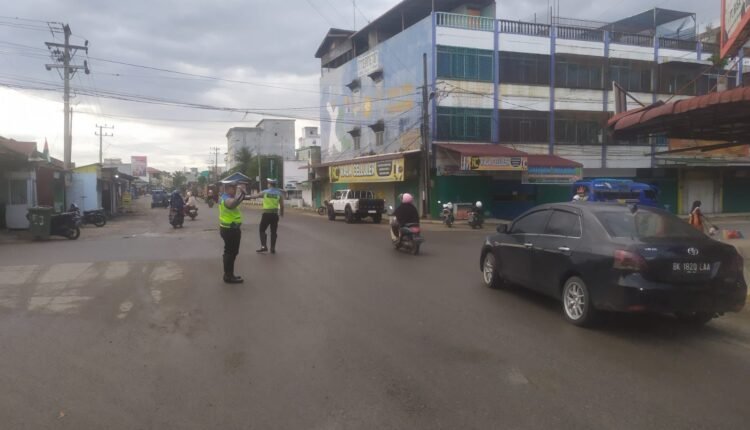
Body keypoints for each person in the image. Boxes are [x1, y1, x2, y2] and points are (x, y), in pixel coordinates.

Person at [219, 181, 246, 284]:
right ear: (227, 188)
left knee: (232, 252)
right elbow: (232, 205)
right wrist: (240, 193)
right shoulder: (226, 198)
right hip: (229, 229)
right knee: (230, 253)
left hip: (231, 229)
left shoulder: (229, 197)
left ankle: (229, 274)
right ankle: (228, 276)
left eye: (235, 188)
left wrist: (243, 194)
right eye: (233, 188)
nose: (235, 190)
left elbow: (237, 201)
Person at [247, 178, 284, 254]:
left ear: (269, 184)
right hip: (275, 215)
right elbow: (282, 205)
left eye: (268, 183)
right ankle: (272, 248)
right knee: (273, 232)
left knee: (262, 230)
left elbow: (255, 196)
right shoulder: (279, 193)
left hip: (266, 214)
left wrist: (244, 197)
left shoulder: (265, 192)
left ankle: (264, 246)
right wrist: (281, 213)